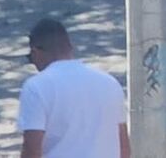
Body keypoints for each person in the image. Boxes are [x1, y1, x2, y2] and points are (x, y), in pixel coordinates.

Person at [17, 18, 130, 158]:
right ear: (70, 47)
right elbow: (123, 146)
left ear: (36, 52)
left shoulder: (36, 87)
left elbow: (31, 150)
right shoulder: (110, 83)